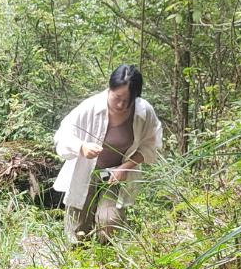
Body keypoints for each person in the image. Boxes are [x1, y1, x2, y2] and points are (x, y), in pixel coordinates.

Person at [53, 64, 163, 244]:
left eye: (128, 100)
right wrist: (82, 147)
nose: (121, 105)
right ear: (109, 89)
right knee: (77, 229)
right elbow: (62, 135)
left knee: (110, 221)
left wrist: (126, 167)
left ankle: (106, 256)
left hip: (115, 175)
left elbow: (151, 145)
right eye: (117, 97)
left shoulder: (144, 112)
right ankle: (76, 258)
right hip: (87, 172)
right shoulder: (90, 107)